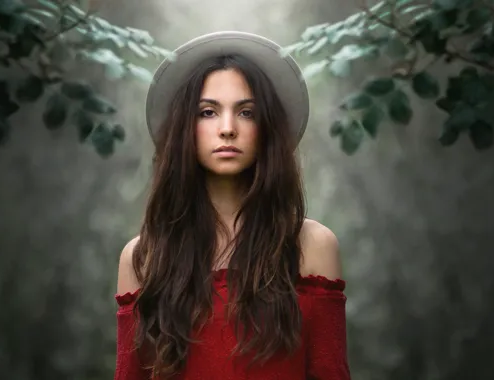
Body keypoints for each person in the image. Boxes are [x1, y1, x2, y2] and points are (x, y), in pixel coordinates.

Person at [114, 31, 350, 380]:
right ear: (185, 128)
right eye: (208, 112)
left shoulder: (312, 246)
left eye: (247, 112)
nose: (227, 129)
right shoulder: (143, 257)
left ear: (267, 127)